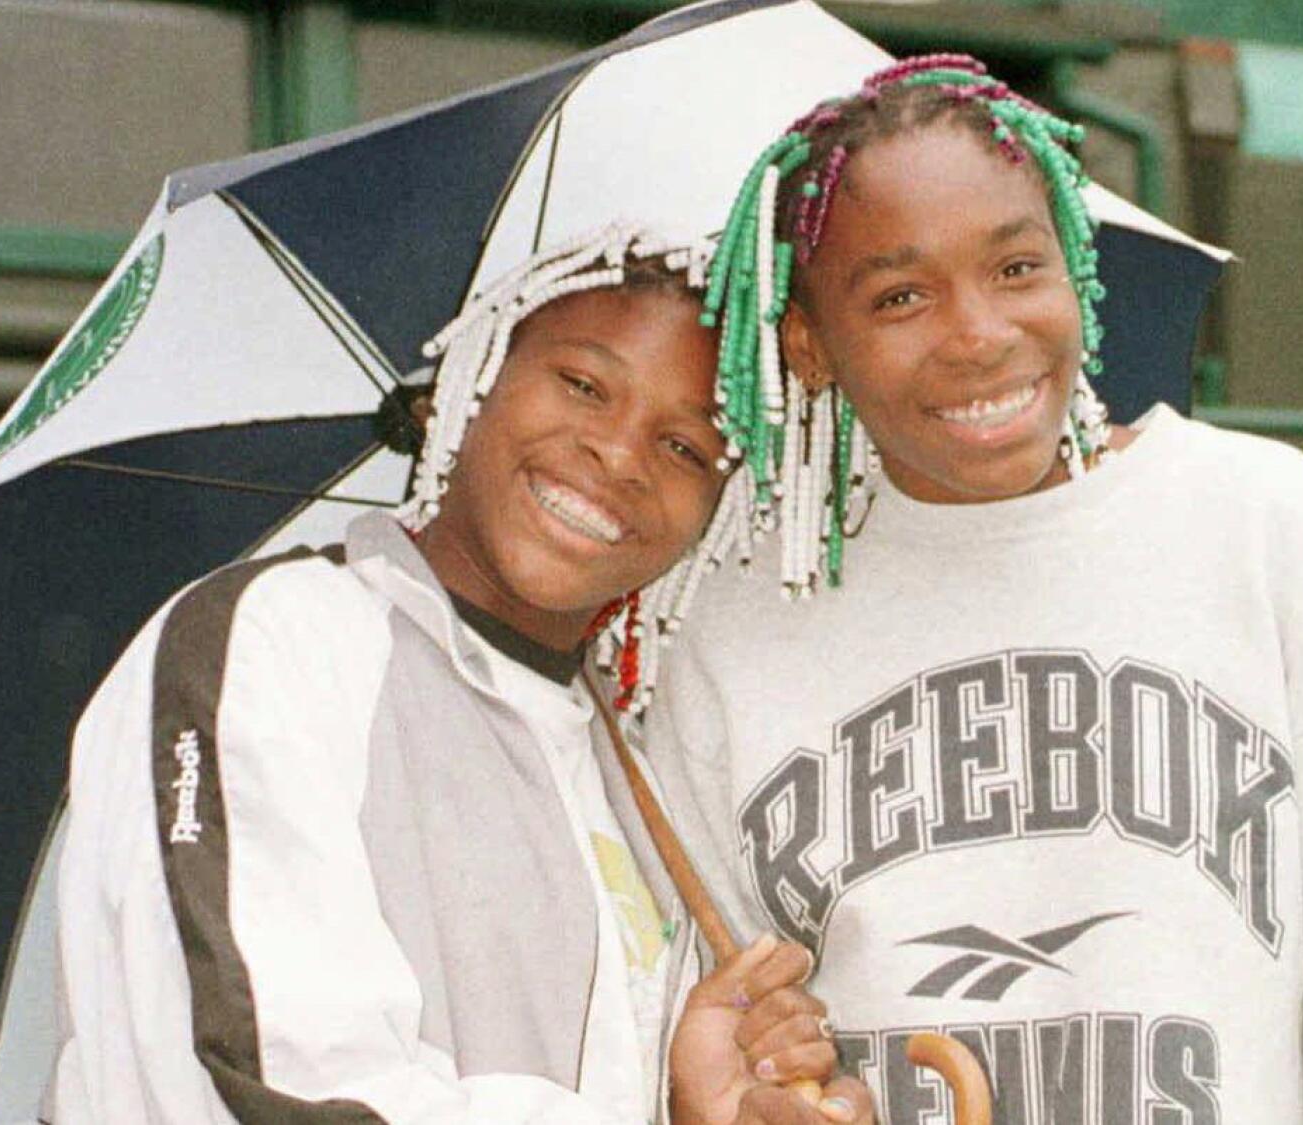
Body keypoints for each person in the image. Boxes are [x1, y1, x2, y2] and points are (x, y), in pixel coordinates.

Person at [644, 58, 1303, 1124]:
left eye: (1016, 268)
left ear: (1074, 268)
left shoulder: (1258, 522)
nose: (977, 333)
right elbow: (702, 1024)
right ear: (809, 344)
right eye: (898, 296)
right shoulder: (728, 605)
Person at [48, 224, 872, 1125]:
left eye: (686, 448)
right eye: (584, 386)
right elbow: (284, 1082)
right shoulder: (280, 640)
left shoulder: (627, 756)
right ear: (464, 387)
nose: (622, 455)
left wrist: (692, 1099)